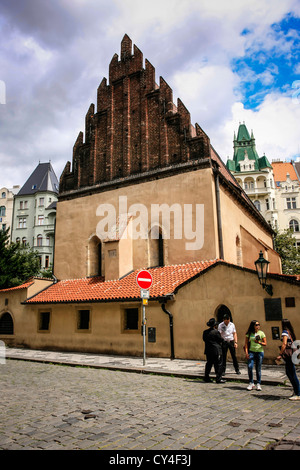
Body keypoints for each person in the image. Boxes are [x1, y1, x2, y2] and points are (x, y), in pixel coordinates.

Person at [276, 319, 300, 401]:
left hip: (288, 355)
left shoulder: (284, 332)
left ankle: (298, 393)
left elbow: (284, 344)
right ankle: (296, 391)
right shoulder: (290, 332)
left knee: (291, 373)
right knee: (291, 372)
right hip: (292, 354)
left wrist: (280, 354)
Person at [244, 320, 266, 391]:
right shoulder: (249, 334)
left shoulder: (261, 333)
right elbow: (246, 344)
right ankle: (251, 382)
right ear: (253, 326)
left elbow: (265, 343)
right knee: (250, 367)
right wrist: (246, 353)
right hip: (251, 352)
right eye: (256, 325)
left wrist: (259, 342)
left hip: (259, 352)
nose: (258, 326)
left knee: (258, 368)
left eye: (258, 325)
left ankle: (258, 383)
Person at [203, 318, 225, 384]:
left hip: (208, 350)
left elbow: (204, 339)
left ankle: (206, 377)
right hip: (216, 350)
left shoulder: (205, 332)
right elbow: (220, 340)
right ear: (215, 325)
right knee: (218, 364)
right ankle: (218, 378)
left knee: (209, 364)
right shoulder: (216, 332)